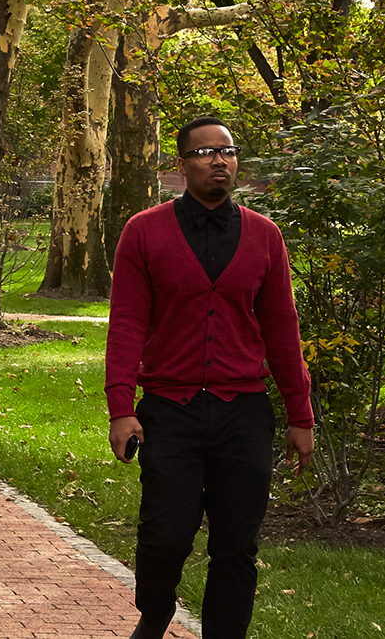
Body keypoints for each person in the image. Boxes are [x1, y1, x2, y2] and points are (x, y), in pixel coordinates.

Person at [105, 116, 314, 639]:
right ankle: (155, 610)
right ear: (181, 166)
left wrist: (299, 413)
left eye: (227, 151)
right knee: (165, 536)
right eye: (205, 153)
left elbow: (282, 329)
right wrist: (121, 407)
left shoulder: (265, 236)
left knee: (236, 544)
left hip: (242, 410)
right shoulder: (144, 231)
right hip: (169, 410)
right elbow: (127, 322)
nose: (219, 160)